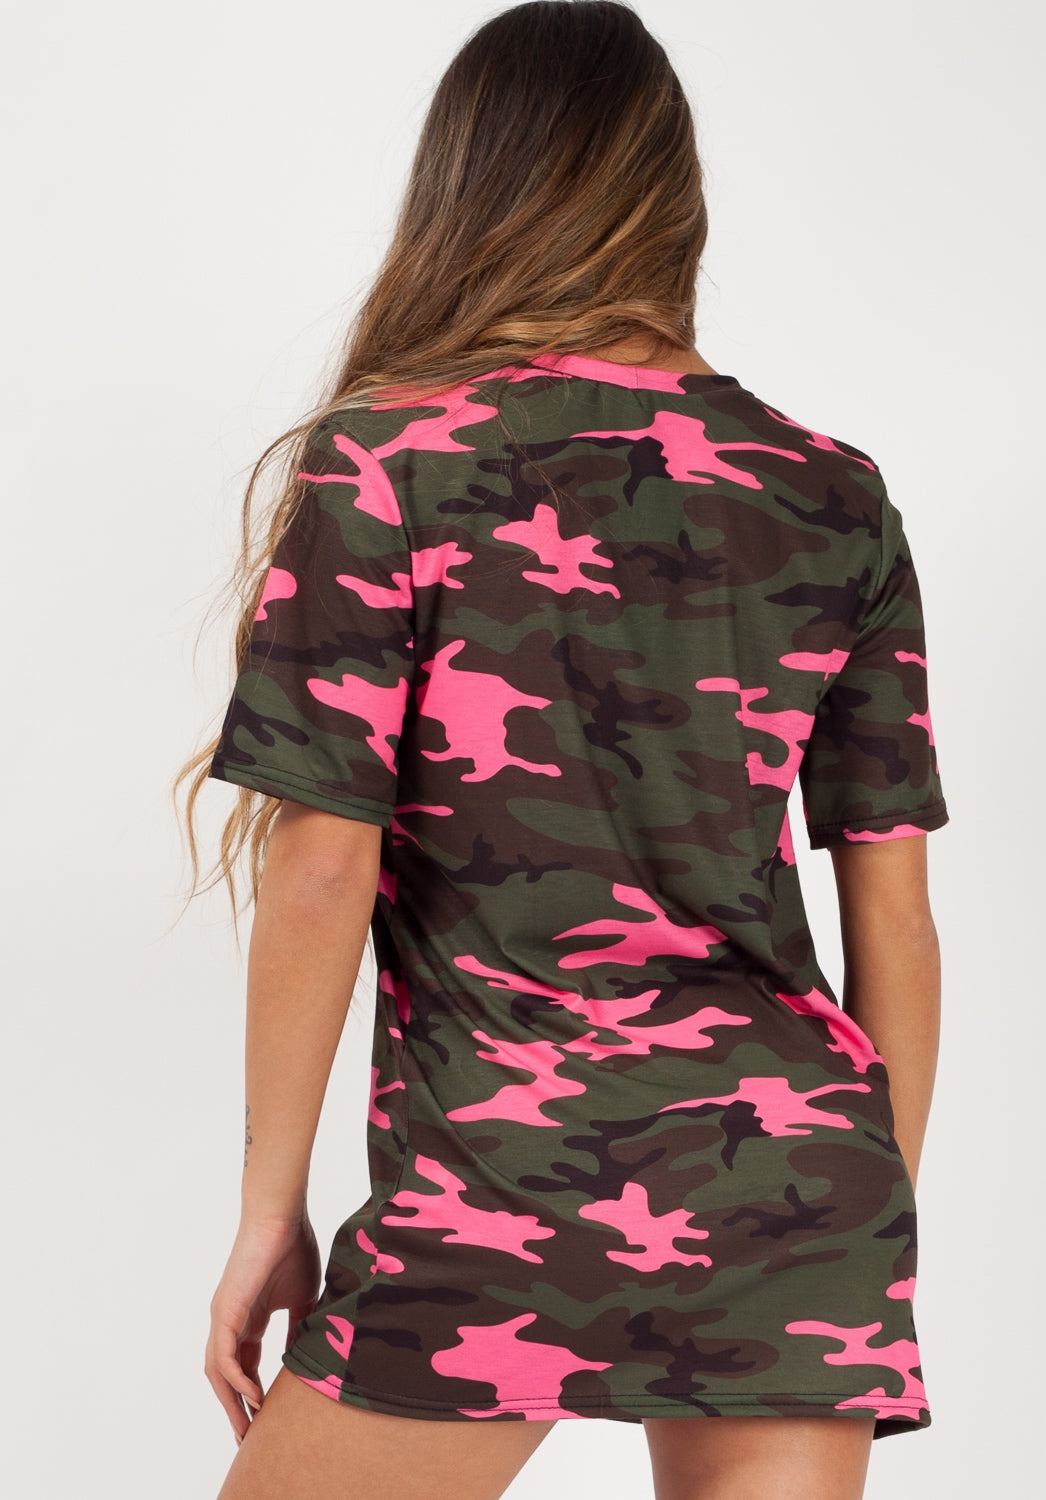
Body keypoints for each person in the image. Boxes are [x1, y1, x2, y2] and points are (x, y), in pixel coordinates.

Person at [176, 3, 949, 1496]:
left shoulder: (390, 462)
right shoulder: (832, 493)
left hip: (501, 1186)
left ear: (471, 189)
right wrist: (848, 1222)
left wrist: (270, 1212)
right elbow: (897, 916)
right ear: (671, 204)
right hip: (797, 1191)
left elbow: (322, 869)